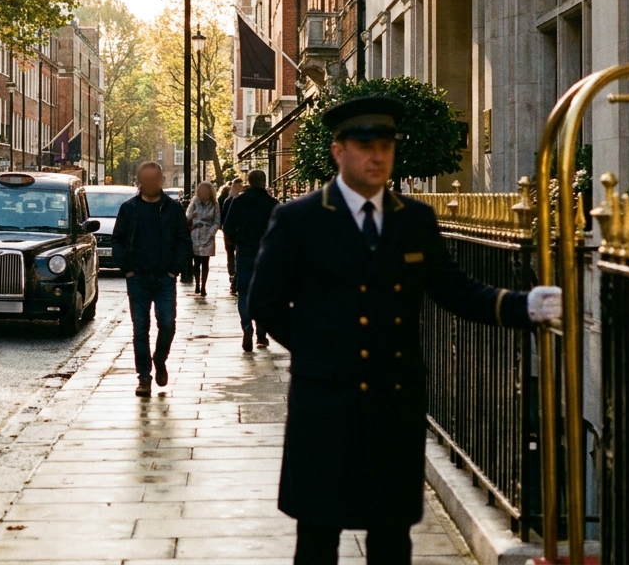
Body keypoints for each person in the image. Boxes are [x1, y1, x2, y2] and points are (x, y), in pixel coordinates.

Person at [248, 95, 563, 565]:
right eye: (365, 145)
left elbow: (453, 289)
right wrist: (321, 349)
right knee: (318, 537)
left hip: (392, 399)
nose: (377, 156)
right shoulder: (299, 219)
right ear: (339, 151)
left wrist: (523, 305)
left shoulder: (414, 219)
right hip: (326, 401)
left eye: (386, 146)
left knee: (391, 538)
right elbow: (265, 302)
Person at [110, 161, 191, 398]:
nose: (151, 184)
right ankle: (144, 377)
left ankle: (160, 358)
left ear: (161, 181)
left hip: (165, 278)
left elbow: (183, 240)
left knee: (167, 325)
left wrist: (174, 270)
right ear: (140, 182)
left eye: (155, 179)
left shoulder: (173, 208)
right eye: (146, 180)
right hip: (138, 278)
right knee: (140, 330)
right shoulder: (129, 209)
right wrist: (127, 268)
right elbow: (118, 240)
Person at [223, 169, 279, 352]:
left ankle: (247, 327)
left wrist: (237, 241)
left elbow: (228, 226)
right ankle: (261, 335)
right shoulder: (272, 204)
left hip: (245, 251)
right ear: (264, 182)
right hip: (266, 254)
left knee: (244, 292)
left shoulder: (238, 201)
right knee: (264, 293)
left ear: (249, 181)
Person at [185, 181, 221, 296]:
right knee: (196, 261)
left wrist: (211, 232)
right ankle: (197, 285)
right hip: (196, 233)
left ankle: (204, 286)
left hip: (208, 235)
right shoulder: (195, 201)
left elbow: (217, 220)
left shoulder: (214, 203)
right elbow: (187, 216)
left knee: (205, 262)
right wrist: (194, 213)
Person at [219, 177, 245, 295]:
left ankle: (235, 278)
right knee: (230, 254)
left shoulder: (242, 200)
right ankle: (232, 274)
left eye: (241, 186)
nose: (240, 188)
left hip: (240, 232)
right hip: (230, 231)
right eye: (238, 186)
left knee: (238, 255)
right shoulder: (228, 200)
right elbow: (224, 217)